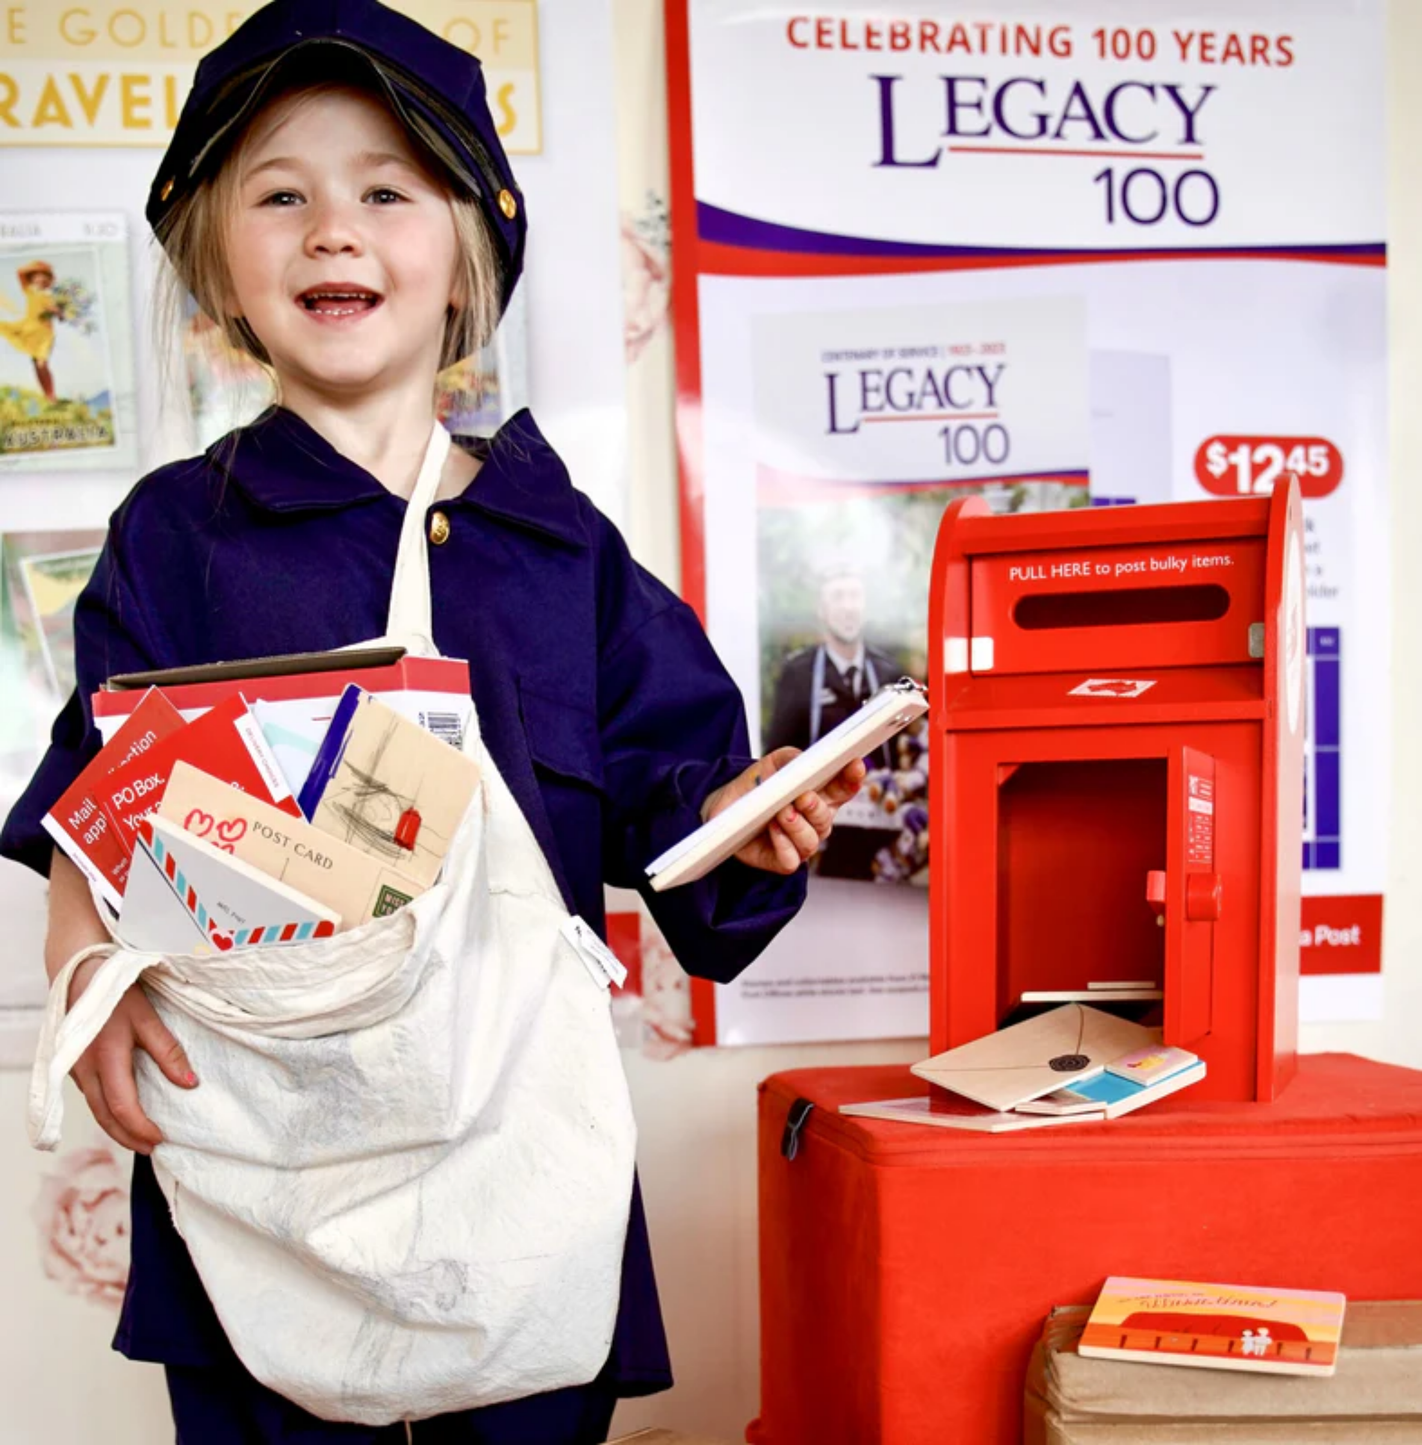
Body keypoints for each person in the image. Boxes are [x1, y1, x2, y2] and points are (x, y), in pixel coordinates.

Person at [0, 4, 863, 1439]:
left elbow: (688, 823)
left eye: (387, 190)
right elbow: (99, 820)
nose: (333, 228)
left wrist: (758, 824)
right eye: (280, 194)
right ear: (219, 273)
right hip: (251, 1160)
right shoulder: (172, 538)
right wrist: (89, 986)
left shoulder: (558, 545)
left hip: (516, 1164)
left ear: (465, 263)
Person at [765, 565, 906, 766]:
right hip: (818, 795)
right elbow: (777, 758)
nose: (848, 607)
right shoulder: (798, 675)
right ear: (821, 610)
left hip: (882, 794)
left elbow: (906, 753)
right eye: (838, 597)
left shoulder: (889, 673)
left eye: (855, 596)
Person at [0, 260, 61, 402]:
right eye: (36, 276)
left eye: (42, 276)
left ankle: (51, 395)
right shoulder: (29, 291)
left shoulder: (51, 296)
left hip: (45, 334)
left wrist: (57, 311)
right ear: (32, 279)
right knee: (37, 365)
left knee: (41, 364)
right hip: (28, 330)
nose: (39, 279)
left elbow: (60, 314)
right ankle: (48, 396)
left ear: (47, 280)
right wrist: (41, 266)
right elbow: (20, 272)